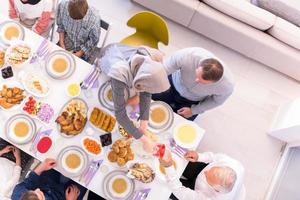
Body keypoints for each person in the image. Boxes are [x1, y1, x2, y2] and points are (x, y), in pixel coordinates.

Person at [97, 43, 170, 152]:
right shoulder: (119, 72)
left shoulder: (149, 65)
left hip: (122, 57)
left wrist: (143, 125)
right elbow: (120, 115)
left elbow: (146, 91)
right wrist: (145, 140)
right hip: (109, 57)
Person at [152, 47, 234, 121]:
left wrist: (193, 110)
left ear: (214, 83)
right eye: (197, 75)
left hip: (192, 101)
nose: (196, 80)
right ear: (199, 66)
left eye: (202, 82)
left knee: (179, 124)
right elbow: (163, 70)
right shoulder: (188, 55)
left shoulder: (226, 87)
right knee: (148, 105)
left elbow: (216, 101)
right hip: (171, 83)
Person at [159, 150, 245, 200]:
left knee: (164, 188)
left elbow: (179, 191)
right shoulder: (234, 164)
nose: (205, 173)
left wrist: (168, 166)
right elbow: (213, 157)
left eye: (207, 178)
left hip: (197, 192)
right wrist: (199, 157)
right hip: (200, 169)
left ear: (216, 190)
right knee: (180, 160)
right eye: (211, 169)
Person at [11, 158, 86, 200]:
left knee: (59, 157)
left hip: (47, 180)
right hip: (65, 196)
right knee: (88, 176)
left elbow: (30, 180)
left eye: (33, 191)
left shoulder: (17, 194)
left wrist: (42, 167)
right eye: (41, 195)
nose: (38, 190)